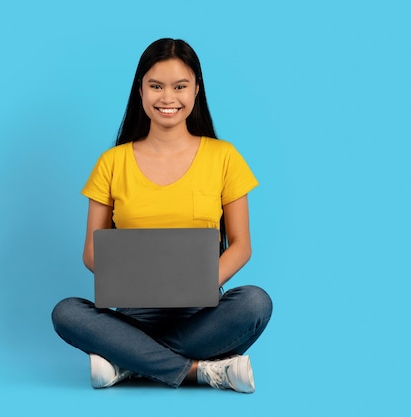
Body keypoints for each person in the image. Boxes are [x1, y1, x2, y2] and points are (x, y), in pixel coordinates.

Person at [51, 38, 272, 393]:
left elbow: (241, 245)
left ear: (196, 90)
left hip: (201, 315)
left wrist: (196, 284)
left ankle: (129, 362)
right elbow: (92, 253)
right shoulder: (112, 163)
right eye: (156, 86)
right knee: (66, 312)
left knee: (255, 302)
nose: (167, 98)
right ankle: (200, 371)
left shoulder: (224, 157)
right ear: (140, 90)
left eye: (180, 86)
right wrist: (140, 281)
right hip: (133, 318)